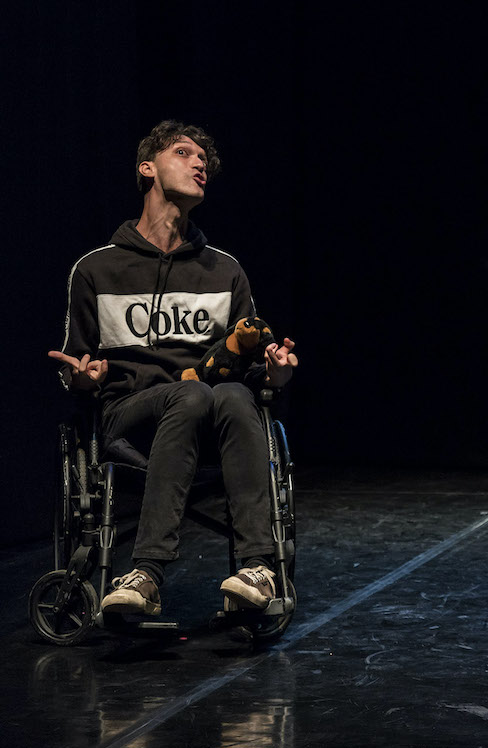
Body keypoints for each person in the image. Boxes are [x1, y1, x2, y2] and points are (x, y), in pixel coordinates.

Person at [49, 120, 300, 616]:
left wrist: (276, 374)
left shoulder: (224, 269)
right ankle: (146, 572)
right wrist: (81, 377)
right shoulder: (96, 268)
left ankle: (257, 569)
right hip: (131, 422)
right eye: (184, 153)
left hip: (213, 423)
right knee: (193, 393)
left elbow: (247, 369)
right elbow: (76, 361)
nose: (199, 163)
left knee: (231, 394)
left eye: (204, 158)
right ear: (147, 168)